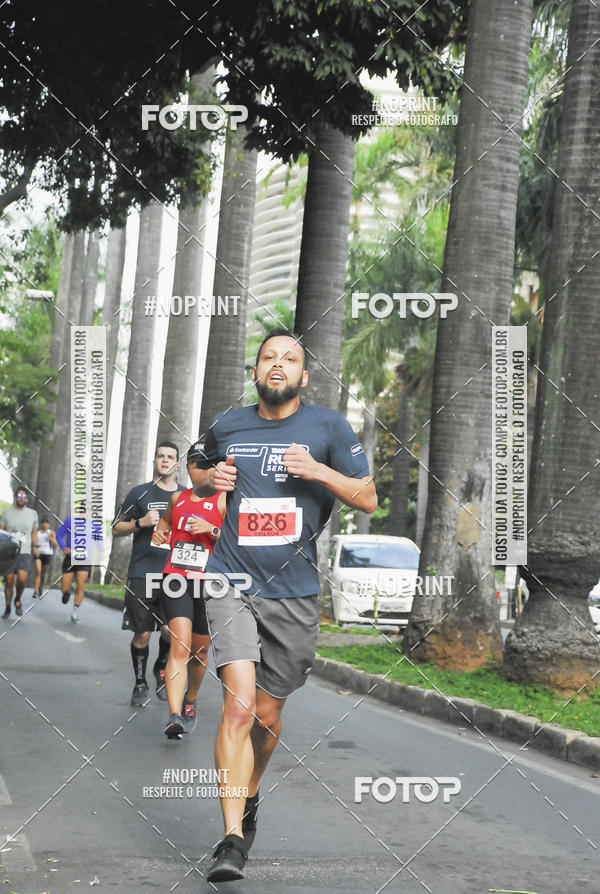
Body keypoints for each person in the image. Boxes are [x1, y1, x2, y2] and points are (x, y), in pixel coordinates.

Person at [187, 329, 377, 882]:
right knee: (239, 706)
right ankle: (230, 839)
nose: (278, 365)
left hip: (293, 592)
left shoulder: (329, 427)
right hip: (230, 580)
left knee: (267, 717)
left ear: (303, 376)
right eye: (268, 357)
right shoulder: (230, 424)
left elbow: (365, 494)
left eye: (289, 359)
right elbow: (197, 467)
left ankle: (250, 793)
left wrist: (316, 469)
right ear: (255, 372)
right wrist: (209, 477)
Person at [112, 441, 183, 707]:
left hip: (175, 574)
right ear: (154, 461)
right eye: (161, 456)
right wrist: (140, 523)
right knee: (142, 633)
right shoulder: (139, 494)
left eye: (170, 457)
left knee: (170, 632)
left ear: (177, 464)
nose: (165, 460)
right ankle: (140, 682)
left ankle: (161, 668)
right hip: (142, 572)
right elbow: (116, 528)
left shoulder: (187, 495)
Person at [151, 487, 226, 739]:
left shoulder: (224, 500)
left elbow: (237, 540)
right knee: (180, 647)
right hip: (176, 577)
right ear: (190, 468)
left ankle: (190, 698)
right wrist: (160, 532)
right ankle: (174, 715)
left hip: (209, 583)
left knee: (200, 652)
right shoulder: (178, 498)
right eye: (197, 465)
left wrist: (212, 529)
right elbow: (164, 522)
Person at [56, 508, 103, 623]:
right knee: (64, 588)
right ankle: (67, 591)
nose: (85, 513)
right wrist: (64, 547)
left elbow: (99, 541)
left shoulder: (95, 525)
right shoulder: (70, 521)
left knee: (80, 584)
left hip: (85, 560)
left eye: (88, 511)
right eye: (83, 510)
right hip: (70, 558)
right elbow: (58, 535)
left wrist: (100, 552)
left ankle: (75, 612)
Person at [0, 487, 39, 619]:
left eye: (24, 496)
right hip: (9, 552)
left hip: (25, 551)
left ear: (27, 499)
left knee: (22, 579)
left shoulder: (33, 514)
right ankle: (7, 607)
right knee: (9, 581)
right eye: (19, 496)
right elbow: (1, 531)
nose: (21, 498)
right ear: (15, 497)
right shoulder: (6, 513)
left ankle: (17, 599)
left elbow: (34, 532)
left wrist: (36, 547)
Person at [33, 517, 57, 598]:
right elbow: (35, 543)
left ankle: (41, 587)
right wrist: (35, 550)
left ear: (49, 525)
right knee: (38, 572)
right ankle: (35, 590)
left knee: (43, 574)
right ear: (41, 524)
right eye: (44, 523)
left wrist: (51, 538)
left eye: (47, 524)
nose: (45, 525)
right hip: (38, 554)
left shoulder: (51, 532)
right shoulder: (38, 533)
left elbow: (56, 544)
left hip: (47, 555)